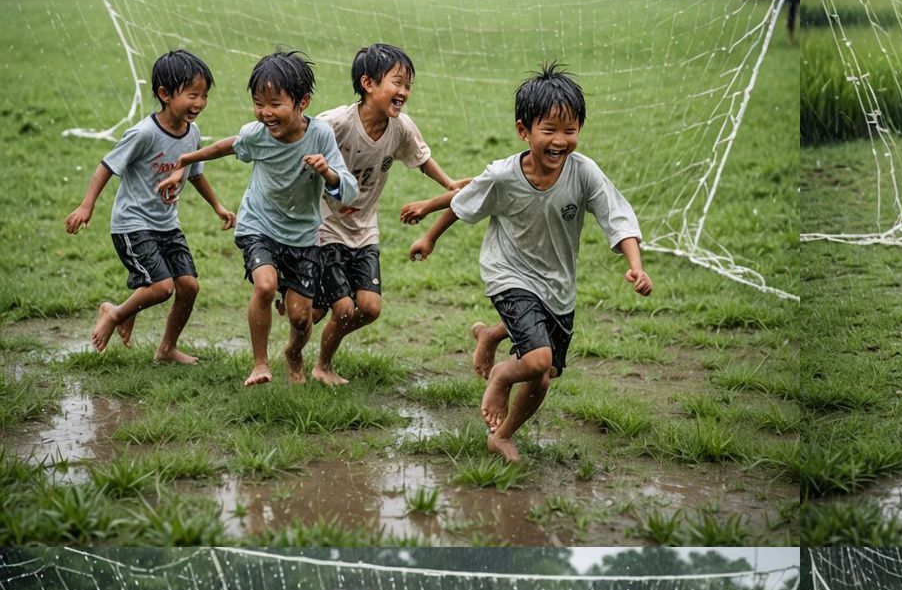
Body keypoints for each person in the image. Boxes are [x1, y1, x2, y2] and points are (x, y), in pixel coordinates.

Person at [407, 63, 652, 462]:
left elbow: (617, 216)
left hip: (557, 284)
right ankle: (502, 375)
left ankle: (501, 430)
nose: (560, 141)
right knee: (538, 359)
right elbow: (463, 201)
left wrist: (635, 265)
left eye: (570, 131)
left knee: (543, 376)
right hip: (508, 272)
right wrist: (429, 236)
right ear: (524, 130)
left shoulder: (584, 172)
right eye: (549, 131)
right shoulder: (504, 175)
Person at [157, 50, 358, 387]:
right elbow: (228, 146)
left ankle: (294, 353)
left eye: (275, 103)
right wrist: (184, 162)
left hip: (303, 236)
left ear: (302, 102)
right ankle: (260, 363)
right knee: (264, 286)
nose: (265, 113)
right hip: (258, 226)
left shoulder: (320, 135)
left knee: (300, 317)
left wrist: (327, 172)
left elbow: (348, 189)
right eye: (258, 103)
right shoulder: (258, 133)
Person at [306, 43, 467, 385]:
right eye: (397, 83)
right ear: (367, 83)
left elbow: (421, 158)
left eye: (408, 86)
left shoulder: (401, 127)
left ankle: (316, 314)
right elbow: (297, 150)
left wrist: (449, 183)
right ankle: (322, 365)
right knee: (343, 309)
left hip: (364, 229)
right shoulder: (333, 124)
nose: (404, 92)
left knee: (370, 308)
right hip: (325, 226)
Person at [65, 50, 235, 361]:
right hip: (133, 223)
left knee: (189, 286)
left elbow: (196, 174)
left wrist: (218, 206)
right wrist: (86, 206)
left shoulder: (192, 132)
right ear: (164, 94)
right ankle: (114, 313)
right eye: (192, 95)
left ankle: (167, 349)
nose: (199, 103)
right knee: (162, 287)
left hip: (167, 224)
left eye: (204, 95)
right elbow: (107, 166)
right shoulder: (144, 133)